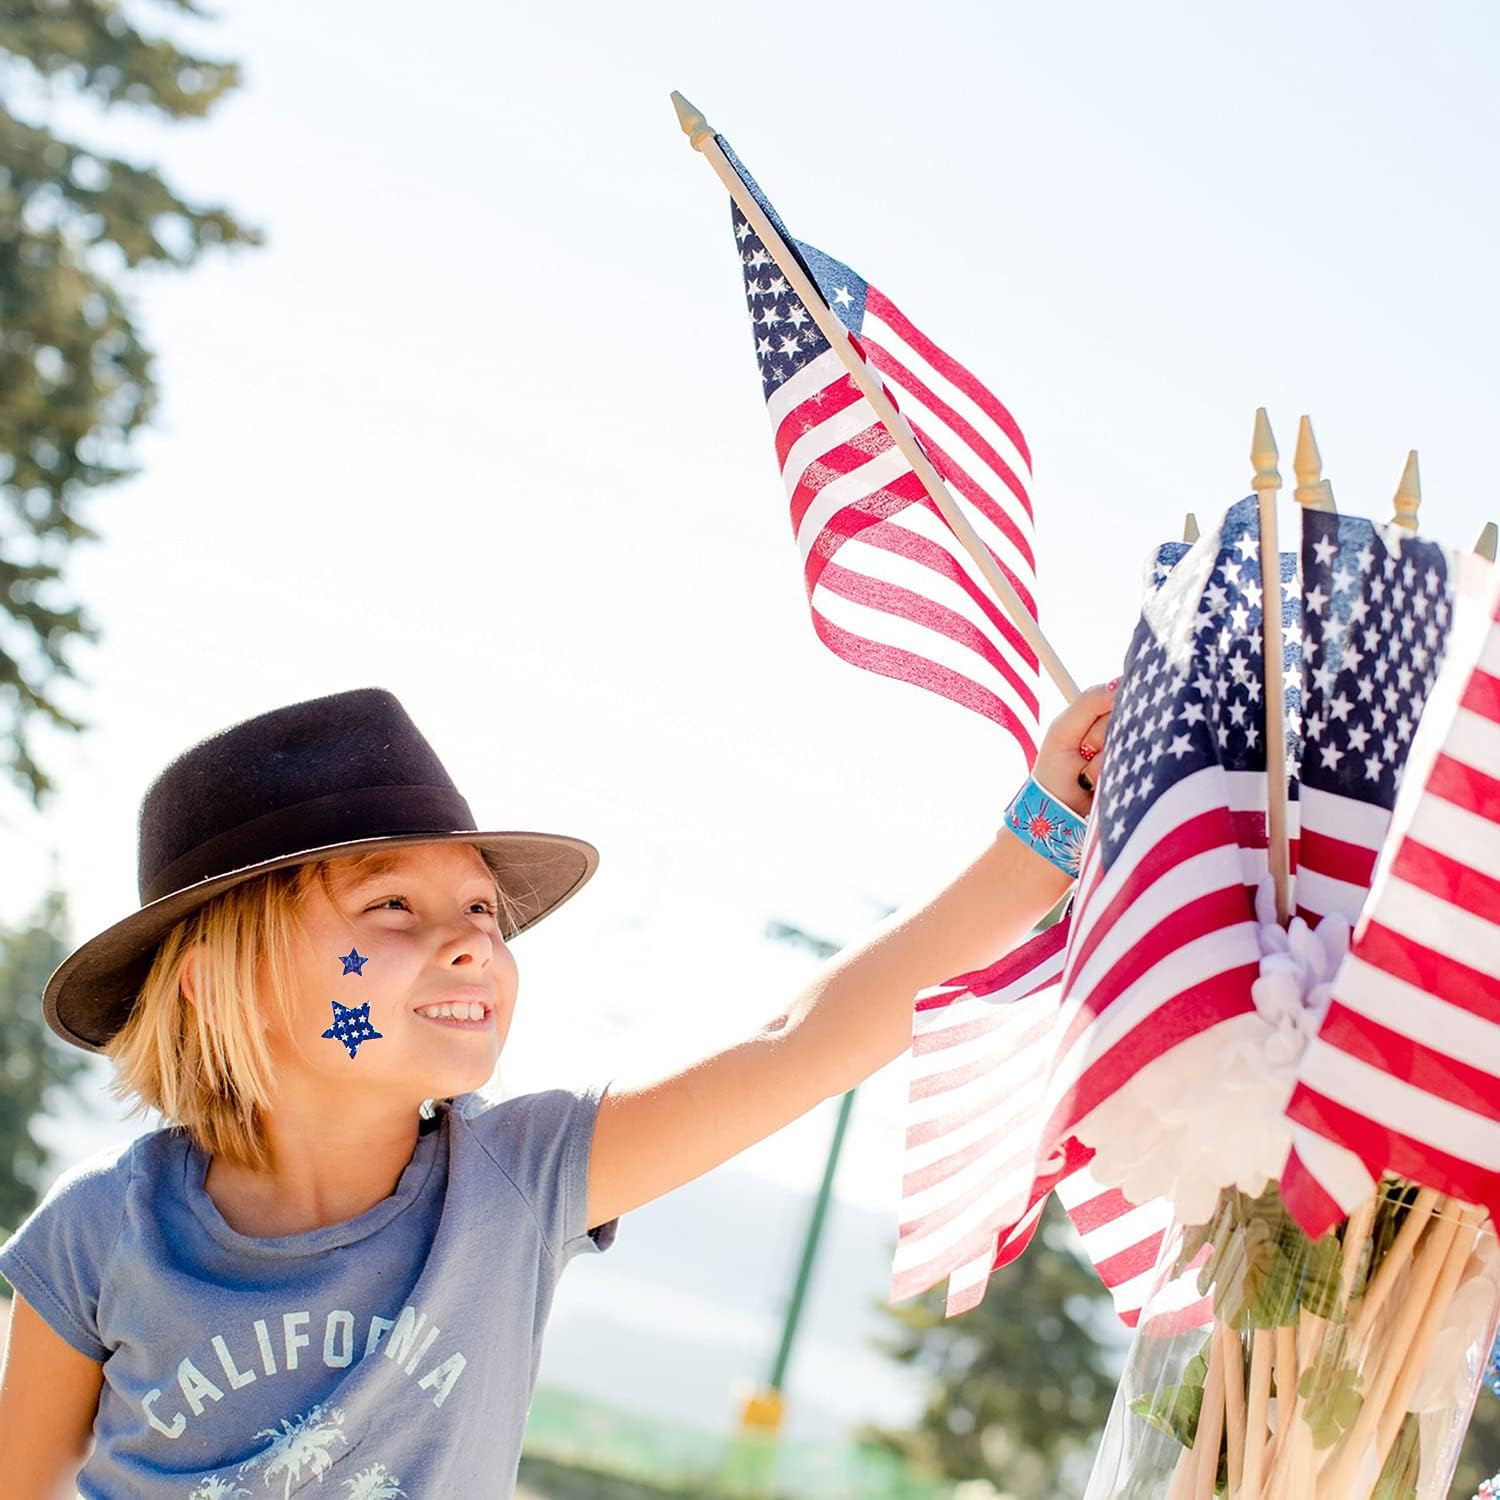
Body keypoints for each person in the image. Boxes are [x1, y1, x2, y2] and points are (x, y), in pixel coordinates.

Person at [0, 681, 1114, 1497]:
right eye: (392, 908)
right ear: (210, 986)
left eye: (483, 910)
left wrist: (1043, 839)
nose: (470, 944)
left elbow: (796, 1040)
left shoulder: (520, 1181)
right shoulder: (96, 1234)